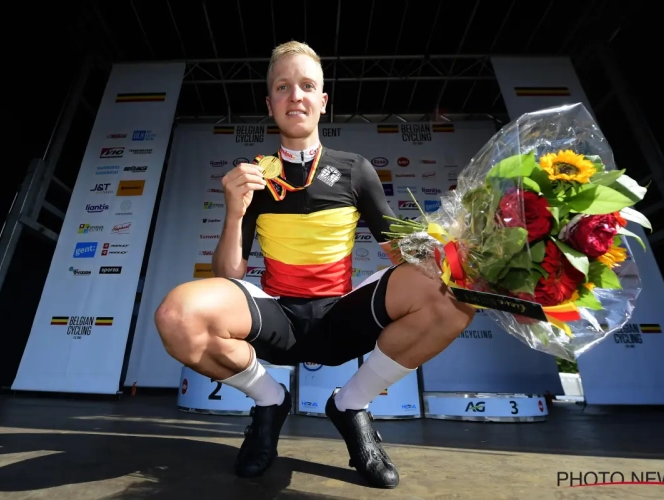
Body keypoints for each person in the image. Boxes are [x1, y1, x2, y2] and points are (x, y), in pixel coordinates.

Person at [154, 41, 475, 489]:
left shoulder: (354, 169)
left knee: (449, 296)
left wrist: (466, 249)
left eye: (307, 85)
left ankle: (350, 406)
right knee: (177, 315)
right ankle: (269, 402)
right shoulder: (255, 176)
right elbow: (229, 277)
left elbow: (401, 256)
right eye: (283, 87)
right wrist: (233, 211)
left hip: (339, 318)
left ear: (323, 102)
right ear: (270, 104)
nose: (295, 96)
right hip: (276, 319)